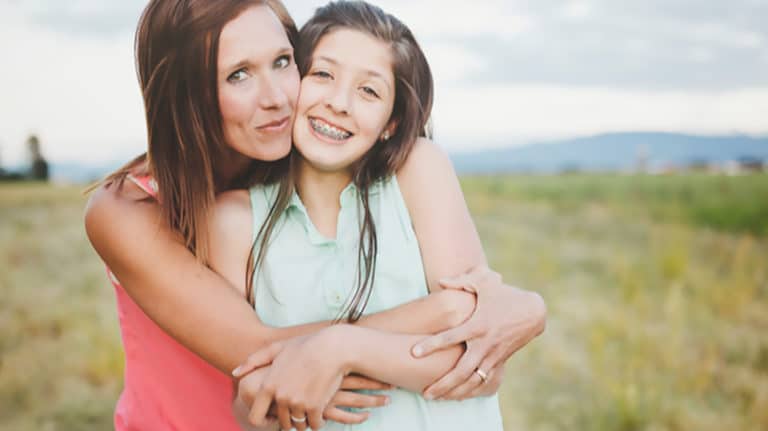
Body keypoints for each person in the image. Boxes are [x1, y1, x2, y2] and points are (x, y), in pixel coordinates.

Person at [84, 0, 545, 430]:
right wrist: (447, 311)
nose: (277, 97)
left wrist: (525, 308)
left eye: (283, 62)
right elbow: (265, 356)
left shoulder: (299, 159)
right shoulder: (126, 210)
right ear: (187, 93)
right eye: (238, 75)